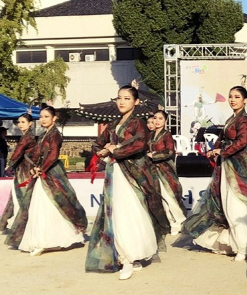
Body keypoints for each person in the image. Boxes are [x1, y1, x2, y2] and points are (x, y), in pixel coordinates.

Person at [180, 86, 247, 260]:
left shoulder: (244, 120)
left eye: (237, 97)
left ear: (245, 100)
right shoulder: (231, 118)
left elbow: (242, 141)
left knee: (236, 205)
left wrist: (222, 152)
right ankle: (239, 242)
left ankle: (244, 246)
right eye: (231, 96)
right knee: (226, 204)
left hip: (239, 164)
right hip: (227, 165)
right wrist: (214, 149)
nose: (233, 100)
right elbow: (223, 138)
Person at [86, 85, 170, 280]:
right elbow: (98, 143)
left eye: (126, 98)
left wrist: (115, 149)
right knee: (117, 213)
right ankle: (126, 257)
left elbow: (138, 145)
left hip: (132, 173)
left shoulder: (138, 123)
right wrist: (101, 150)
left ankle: (131, 258)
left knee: (133, 212)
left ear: (136, 102)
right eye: (119, 98)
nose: (121, 102)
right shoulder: (114, 123)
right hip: (115, 172)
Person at [5, 107, 87, 256]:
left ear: (54, 118)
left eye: (46, 116)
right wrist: (34, 167)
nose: (43, 119)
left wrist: (40, 169)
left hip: (52, 173)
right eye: (41, 117)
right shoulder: (43, 134)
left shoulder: (55, 134)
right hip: (41, 172)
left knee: (53, 203)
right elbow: (37, 153)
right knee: (38, 204)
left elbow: (53, 155)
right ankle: (41, 240)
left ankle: (49, 240)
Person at [147, 110, 187, 235]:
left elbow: (169, 152)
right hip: (153, 170)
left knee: (170, 196)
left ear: (165, 121)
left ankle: (180, 221)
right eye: (155, 118)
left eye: (160, 118)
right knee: (162, 198)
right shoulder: (151, 135)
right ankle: (172, 222)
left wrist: (153, 155)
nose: (157, 121)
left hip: (165, 170)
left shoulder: (166, 135)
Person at [0, 114, 36, 231]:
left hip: (25, 170)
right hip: (23, 168)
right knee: (17, 195)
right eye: (18, 122)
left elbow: (19, 151)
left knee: (22, 195)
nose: (20, 124)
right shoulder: (26, 136)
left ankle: (21, 224)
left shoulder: (27, 137)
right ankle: (9, 223)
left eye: (23, 122)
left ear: (30, 123)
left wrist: (9, 164)